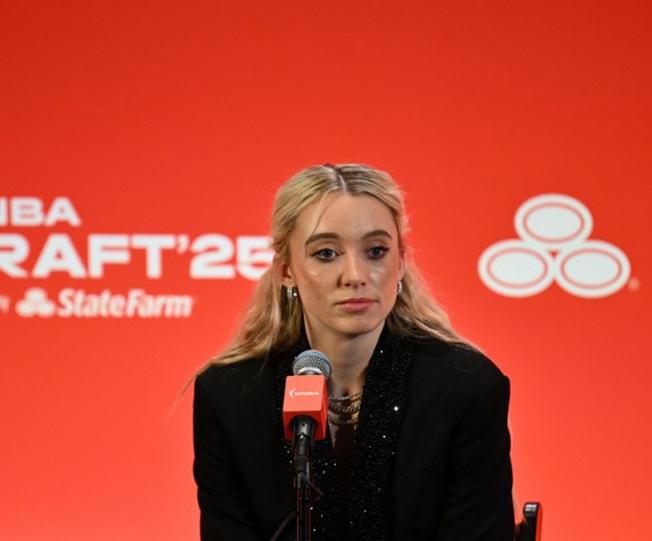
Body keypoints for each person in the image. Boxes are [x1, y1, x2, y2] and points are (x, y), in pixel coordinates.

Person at [193, 164, 514, 540]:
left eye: (376, 251)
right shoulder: (230, 394)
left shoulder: (467, 387)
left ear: (400, 260)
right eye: (326, 253)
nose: (355, 275)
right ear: (285, 270)